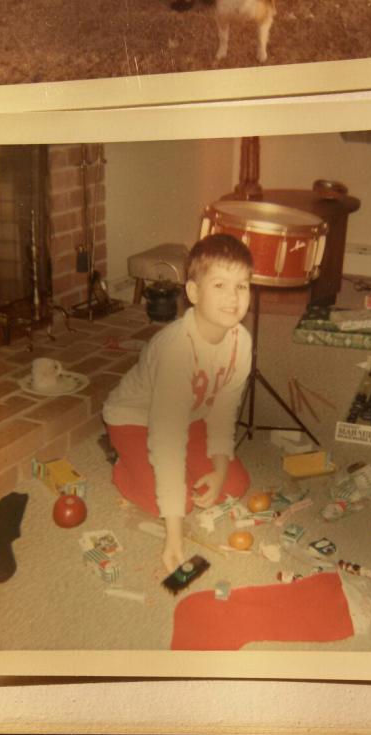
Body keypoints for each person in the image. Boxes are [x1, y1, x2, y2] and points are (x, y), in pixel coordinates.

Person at [103, 233, 253, 574]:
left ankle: (178, 470)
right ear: (194, 293)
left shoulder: (241, 342)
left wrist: (220, 468)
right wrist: (175, 539)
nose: (233, 298)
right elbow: (167, 442)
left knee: (232, 486)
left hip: (190, 416)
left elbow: (224, 412)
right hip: (135, 419)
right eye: (220, 285)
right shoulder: (175, 351)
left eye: (242, 286)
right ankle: (123, 465)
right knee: (178, 504)